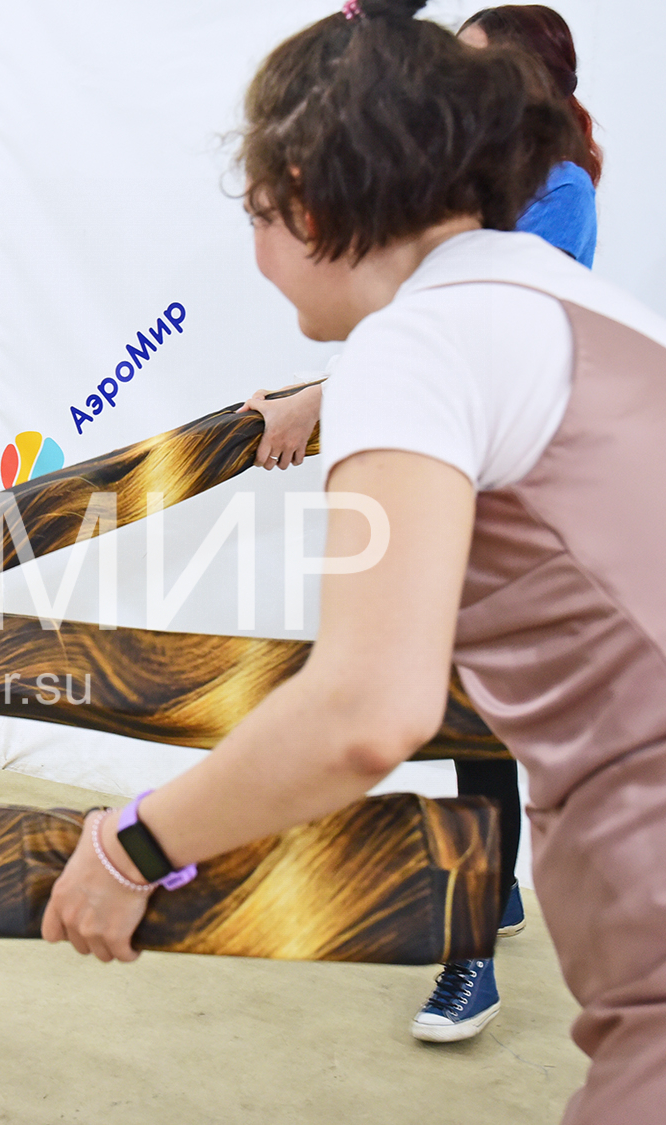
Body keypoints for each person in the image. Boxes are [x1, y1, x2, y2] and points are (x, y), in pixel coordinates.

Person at [41, 3, 666, 1121]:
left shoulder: (417, 341)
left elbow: (367, 711)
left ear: (307, 195)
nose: (257, 254)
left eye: (254, 211)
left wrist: (131, 847)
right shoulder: (566, 299)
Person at [234, 2, 604, 1045]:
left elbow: (461, 328)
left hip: (516, 491)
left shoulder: (557, 194)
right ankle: (490, 901)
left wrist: (135, 850)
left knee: (465, 710)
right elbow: (405, 312)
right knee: (464, 712)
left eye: (471, 67)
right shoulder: (458, 190)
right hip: (468, 473)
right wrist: (315, 391)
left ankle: (469, 953)